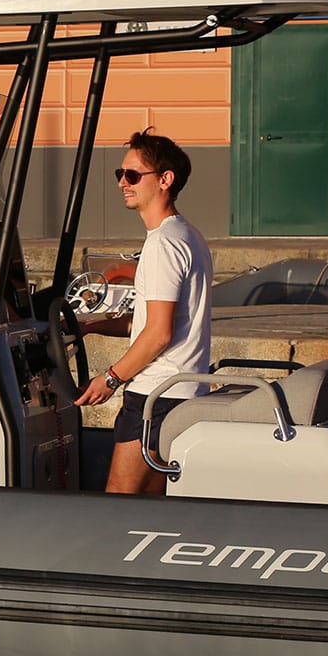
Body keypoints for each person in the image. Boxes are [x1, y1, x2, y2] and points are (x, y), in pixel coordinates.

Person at [73, 131, 212, 495]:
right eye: (120, 174)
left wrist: (110, 379)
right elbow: (148, 323)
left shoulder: (163, 244)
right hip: (179, 392)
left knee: (120, 501)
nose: (122, 183)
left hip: (155, 395)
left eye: (133, 175)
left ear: (165, 179)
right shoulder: (186, 234)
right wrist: (90, 326)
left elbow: (159, 334)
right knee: (151, 505)